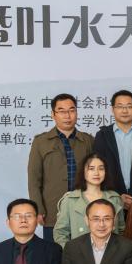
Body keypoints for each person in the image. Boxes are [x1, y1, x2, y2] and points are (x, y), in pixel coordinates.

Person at [28, 92, 94, 241]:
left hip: (84, 209)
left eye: (71, 110)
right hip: (52, 211)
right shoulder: (41, 142)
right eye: (62, 111)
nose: (67, 116)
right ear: (53, 114)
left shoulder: (88, 141)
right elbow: (34, 180)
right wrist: (38, 209)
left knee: (82, 252)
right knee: (53, 252)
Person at [92, 89, 132, 210]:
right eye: (120, 106)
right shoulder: (103, 135)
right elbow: (99, 168)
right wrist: (117, 195)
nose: (125, 111)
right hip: (111, 199)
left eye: (129, 106)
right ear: (113, 109)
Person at [53, 152, 125, 247]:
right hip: (79, 253)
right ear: (83, 171)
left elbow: (121, 230)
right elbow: (60, 233)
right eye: (91, 168)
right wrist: (70, 252)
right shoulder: (70, 200)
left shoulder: (114, 198)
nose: (96, 173)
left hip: (110, 253)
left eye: (101, 168)